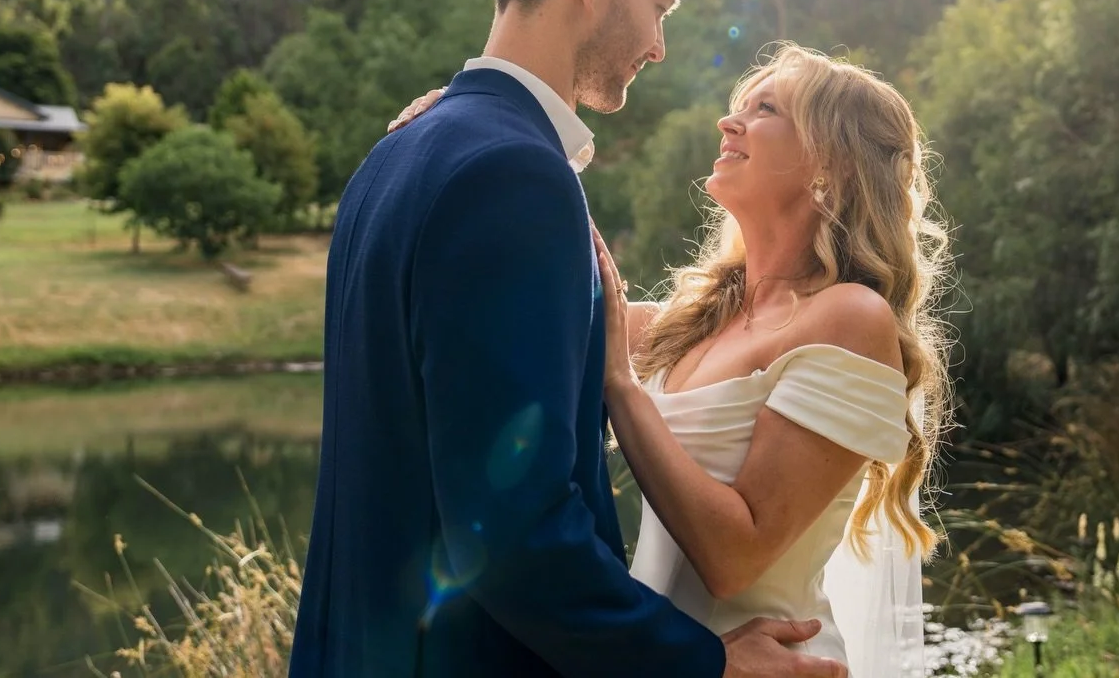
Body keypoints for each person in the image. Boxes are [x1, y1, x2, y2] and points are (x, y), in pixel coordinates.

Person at [289, 0, 846, 678]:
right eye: (658, 6)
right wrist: (706, 664)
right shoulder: (517, 176)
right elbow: (515, 530)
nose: (659, 45)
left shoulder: (394, 154)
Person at [393, 44, 954, 676]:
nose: (729, 122)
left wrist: (622, 387)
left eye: (765, 108)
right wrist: (468, 135)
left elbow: (734, 558)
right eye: (737, 105)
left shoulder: (849, 318)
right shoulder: (678, 326)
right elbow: (539, 277)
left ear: (830, 163)